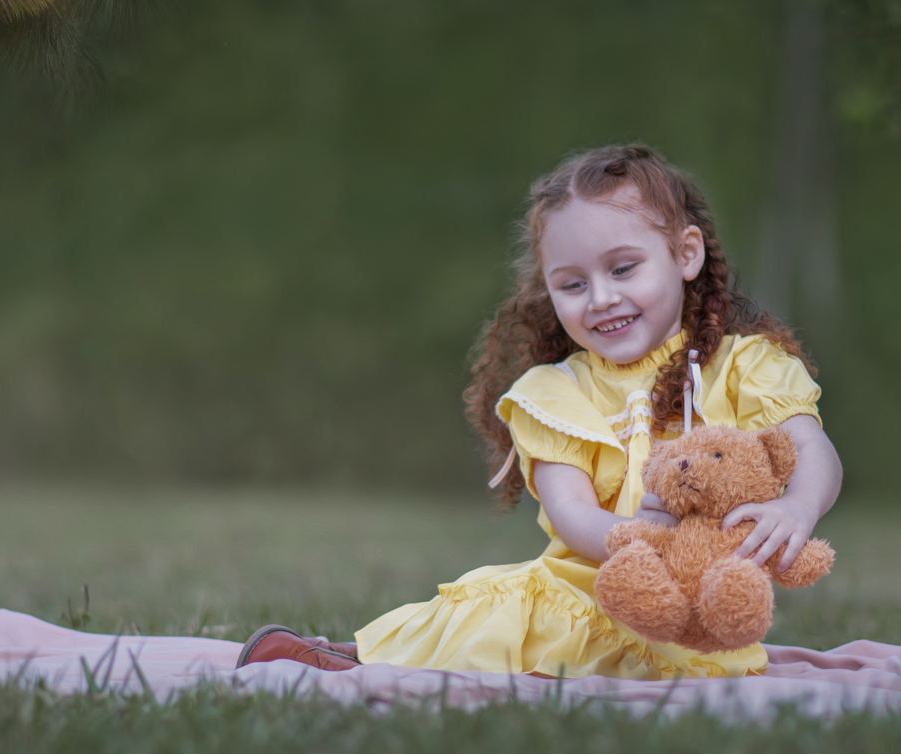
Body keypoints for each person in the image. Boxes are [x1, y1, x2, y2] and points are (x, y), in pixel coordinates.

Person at [238, 144, 843, 677]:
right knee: (496, 603)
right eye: (572, 284)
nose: (601, 298)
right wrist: (641, 540)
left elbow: (811, 447)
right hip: (590, 593)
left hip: (707, 608)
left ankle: (353, 660)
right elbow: (571, 512)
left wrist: (797, 505)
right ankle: (351, 660)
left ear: (685, 255)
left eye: (623, 268)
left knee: (501, 613)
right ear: (549, 290)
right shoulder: (555, 391)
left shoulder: (744, 365)